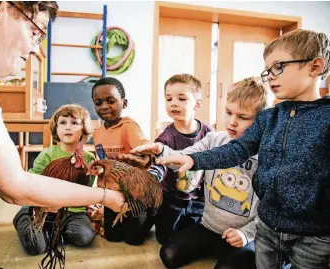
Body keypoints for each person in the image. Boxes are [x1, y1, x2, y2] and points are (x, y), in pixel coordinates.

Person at [156, 29, 330, 269]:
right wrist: (191, 159)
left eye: (278, 67)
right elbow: (235, 150)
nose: (270, 76)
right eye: (267, 70)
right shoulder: (270, 118)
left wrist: (248, 234)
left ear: (315, 66)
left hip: (310, 234)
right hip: (267, 229)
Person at [0, 1, 124, 246]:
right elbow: (16, 186)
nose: (35, 50)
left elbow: (10, 184)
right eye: (35, 32)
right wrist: (108, 197)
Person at [132, 77, 265, 269]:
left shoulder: (266, 153)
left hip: (242, 235)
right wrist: (160, 149)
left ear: (261, 119)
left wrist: (246, 234)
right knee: (168, 255)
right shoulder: (214, 139)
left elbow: (270, 207)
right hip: (209, 227)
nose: (232, 122)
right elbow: (183, 158)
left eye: (243, 117)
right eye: (228, 113)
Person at [13, 104, 97, 255]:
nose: (68, 127)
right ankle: (23, 217)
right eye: (63, 123)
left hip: (74, 210)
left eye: (74, 123)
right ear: (56, 129)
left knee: (83, 237)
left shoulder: (89, 158)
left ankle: (58, 230)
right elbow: (32, 182)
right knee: (36, 246)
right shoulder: (47, 154)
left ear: (84, 130)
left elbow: (88, 187)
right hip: (42, 207)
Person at [91, 77, 163, 245]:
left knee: (134, 239)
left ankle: (152, 212)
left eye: (110, 101)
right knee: (113, 237)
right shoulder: (97, 133)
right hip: (113, 193)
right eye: (98, 102)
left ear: (124, 103)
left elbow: (146, 150)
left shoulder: (129, 126)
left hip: (134, 193)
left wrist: (143, 158)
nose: (104, 106)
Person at [142, 74, 213, 245]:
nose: (174, 103)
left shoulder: (209, 133)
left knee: (198, 233)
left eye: (182, 98)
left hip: (198, 197)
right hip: (170, 196)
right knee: (164, 238)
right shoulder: (165, 138)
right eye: (169, 98)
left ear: (197, 104)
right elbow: (158, 165)